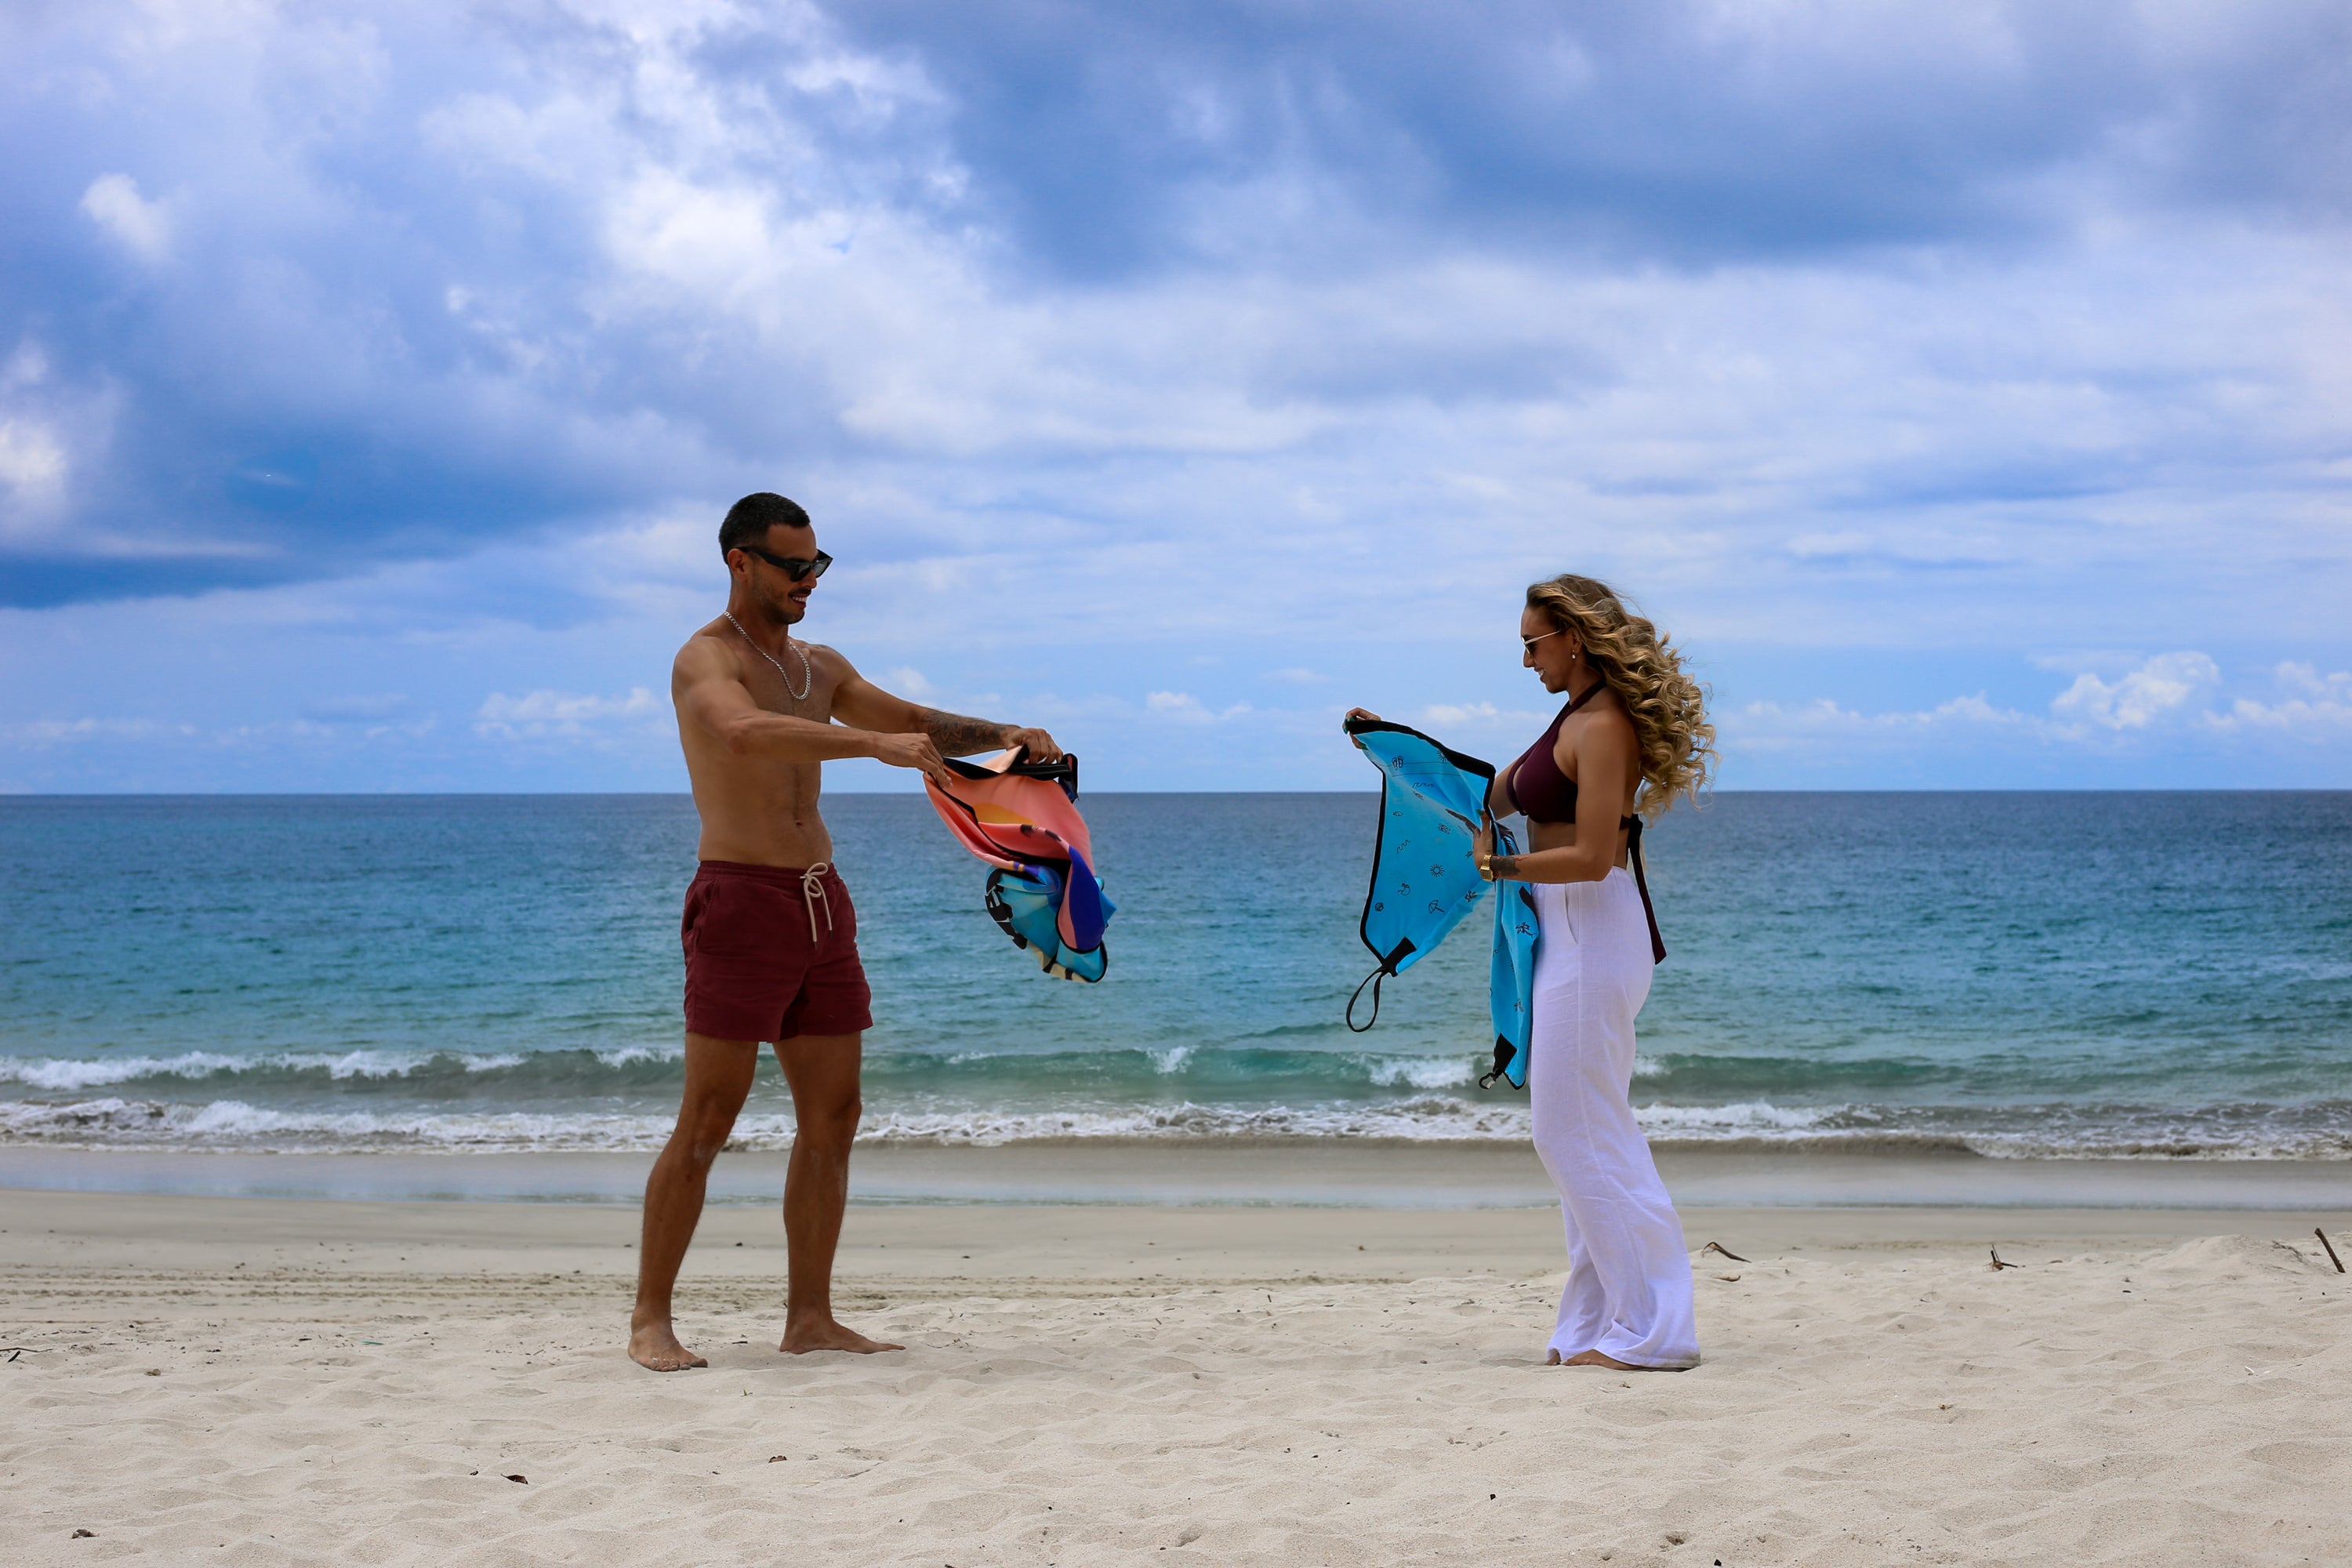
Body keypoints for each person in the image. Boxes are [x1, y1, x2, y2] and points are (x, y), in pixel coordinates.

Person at [629, 492, 1065, 1373]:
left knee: (834, 1114)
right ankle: (650, 1319)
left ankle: (810, 1317)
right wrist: (867, 747)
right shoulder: (705, 658)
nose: (810, 580)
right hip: (740, 898)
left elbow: (909, 720)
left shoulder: (819, 664)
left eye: (818, 564)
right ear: (740, 562)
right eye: (794, 566)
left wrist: (1005, 733)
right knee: (709, 1117)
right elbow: (742, 733)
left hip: (820, 901)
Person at [1349, 573, 1713, 1370]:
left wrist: (1499, 870)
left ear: (1573, 638)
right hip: (1566, 934)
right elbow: (1487, 796)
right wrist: (1391, 744)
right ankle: (1594, 1325)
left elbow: (1593, 855)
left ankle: (1656, 1330)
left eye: (1532, 643)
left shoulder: (1605, 725)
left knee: (1574, 1130)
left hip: (1593, 929)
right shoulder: (1570, 717)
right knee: (1585, 1130)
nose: (1525, 660)